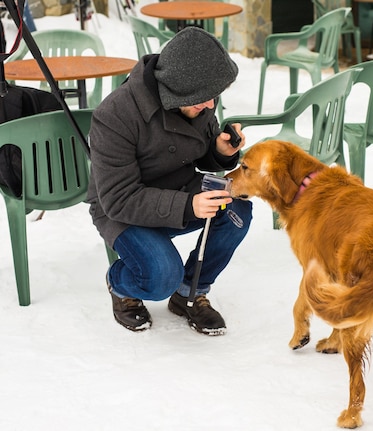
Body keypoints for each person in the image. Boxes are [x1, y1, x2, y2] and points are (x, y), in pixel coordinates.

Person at [87, 27, 252, 335]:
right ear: (176, 90)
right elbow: (118, 198)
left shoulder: (195, 97)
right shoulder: (114, 115)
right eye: (204, 100)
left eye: (215, 97)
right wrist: (189, 205)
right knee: (161, 276)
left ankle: (190, 292)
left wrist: (220, 151)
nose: (211, 107)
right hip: (122, 209)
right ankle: (121, 286)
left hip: (178, 191)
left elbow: (199, 151)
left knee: (236, 212)